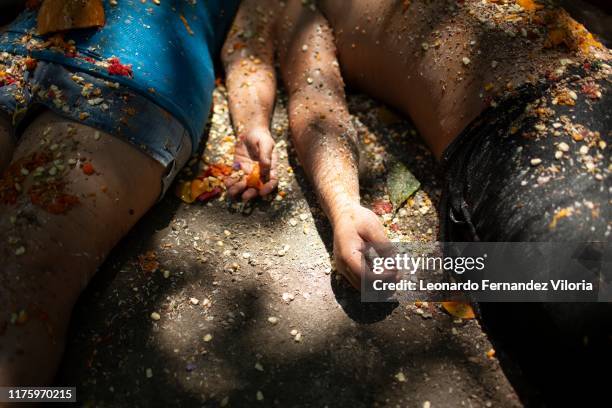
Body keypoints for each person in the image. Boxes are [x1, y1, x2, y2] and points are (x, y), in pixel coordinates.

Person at [222, 0, 610, 291]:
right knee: (591, 277)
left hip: (597, 75)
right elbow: (313, 98)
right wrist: (344, 207)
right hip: (517, 136)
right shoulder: (292, 4)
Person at [0, 0, 240, 386]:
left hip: (133, 87)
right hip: (12, 51)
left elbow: (261, 48)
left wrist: (254, 128)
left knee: (19, 288)